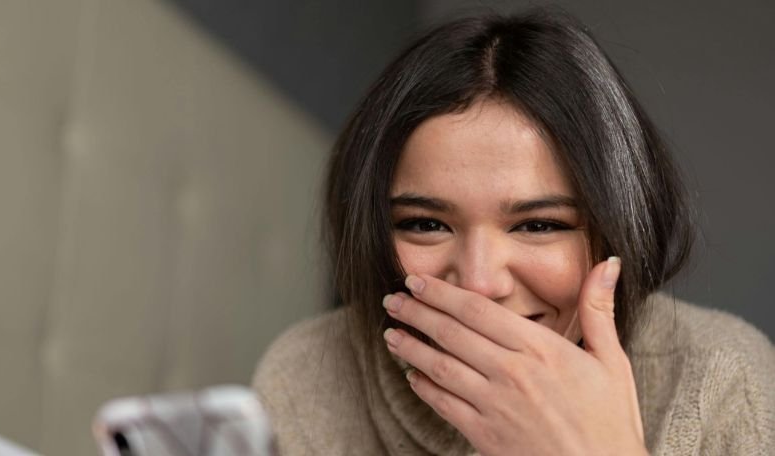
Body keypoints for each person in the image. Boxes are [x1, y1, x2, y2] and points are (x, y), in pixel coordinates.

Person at [252, 10, 775, 455]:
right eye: (425, 224)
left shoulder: (720, 375)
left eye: (539, 225)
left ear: (619, 230)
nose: (479, 284)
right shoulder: (310, 374)